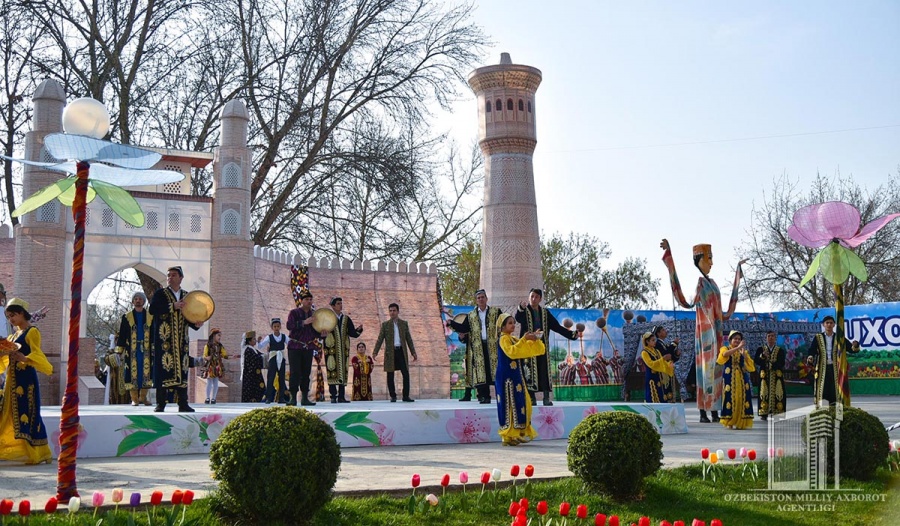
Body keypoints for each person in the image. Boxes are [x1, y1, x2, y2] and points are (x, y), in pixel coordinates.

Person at [661, 239, 745, 423]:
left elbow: (723, 312)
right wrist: (670, 259)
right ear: (699, 260)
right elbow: (685, 301)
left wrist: (737, 275)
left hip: (717, 333)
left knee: (717, 370)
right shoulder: (700, 284)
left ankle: (714, 410)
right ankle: (702, 412)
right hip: (705, 335)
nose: (711, 263)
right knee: (705, 371)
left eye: (712, 258)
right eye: (709, 259)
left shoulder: (713, 283)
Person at [1, 298, 53, 464]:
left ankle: (38, 453)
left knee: (29, 414)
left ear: (22, 313)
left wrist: (24, 358)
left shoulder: (32, 332)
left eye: (13, 315)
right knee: (8, 413)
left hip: (26, 381)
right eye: (9, 316)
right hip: (13, 380)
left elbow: (37, 354)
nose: (11, 319)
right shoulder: (14, 335)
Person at [150, 266, 203, 413]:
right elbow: (152, 309)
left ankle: (183, 404)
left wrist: (196, 324)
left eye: (174, 275)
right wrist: (172, 306)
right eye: (169, 275)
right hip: (164, 341)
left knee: (182, 371)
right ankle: (161, 403)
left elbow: (189, 316)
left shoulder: (187, 296)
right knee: (163, 370)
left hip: (181, 342)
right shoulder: (161, 294)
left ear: (181, 278)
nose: (170, 277)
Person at [515, 288, 579, 406]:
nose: (533, 299)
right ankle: (532, 398)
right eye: (531, 296)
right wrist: (520, 308)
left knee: (544, 371)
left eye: (536, 297)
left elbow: (557, 327)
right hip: (528, 348)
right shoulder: (525, 311)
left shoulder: (545, 313)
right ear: (529, 297)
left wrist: (572, 335)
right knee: (529, 371)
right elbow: (517, 318)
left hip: (541, 346)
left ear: (540, 299)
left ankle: (546, 398)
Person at [495, 313, 545, 446]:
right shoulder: (503, 339)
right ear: (502, 326)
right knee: (508, 404)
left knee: (519, 402)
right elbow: (512, 352)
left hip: (515, 375)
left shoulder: (512, 339)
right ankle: (508, 436)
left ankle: (517, 433)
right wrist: (524, 339)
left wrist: (534, 338)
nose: (513, 325)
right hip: (506, 377)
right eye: (510, 323)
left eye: (513, 322)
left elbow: (525, 348)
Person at [448, 289, 501, 404]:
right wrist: (451, 323)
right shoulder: (471, 315)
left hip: (493, 347)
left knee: (494, 370)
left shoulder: (496, 312)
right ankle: (484, 396)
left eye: (482, 297)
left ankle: (501, 396)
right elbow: (464, 328)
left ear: (486, 299)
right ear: (476, 301)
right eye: (478, 298)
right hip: (478, 347)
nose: (481, 299)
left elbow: (503, 324)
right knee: (481, 371)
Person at [806, 315, 860, 407]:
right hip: (822, 368)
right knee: (823, 389)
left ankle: (835, 409)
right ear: (823, 324)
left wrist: (855, 345)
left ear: (834, 325)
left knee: (835, 389)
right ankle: (823, 409)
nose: (829, 325)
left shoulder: (839, 337)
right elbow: (812, 349)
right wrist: (810, 356)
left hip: (836, 369)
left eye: (831, 323)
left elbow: (851, 349)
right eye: (827, 323)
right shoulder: (818, 337)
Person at [114, 291, 154, 406]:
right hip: (131, 350)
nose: (138, 301)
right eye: (136, 299)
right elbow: (122, 334)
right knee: (132, 373)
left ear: (143, 301)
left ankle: (143, 397)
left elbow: (154, 333)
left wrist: (155, 348)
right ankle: (134, 399)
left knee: (146, 373)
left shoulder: (150, 316)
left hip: (146, 350)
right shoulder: (127, 317)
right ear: (132, 301)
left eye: (140, 299)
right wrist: (119, 351)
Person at [373, 303, 417, 402]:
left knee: (405, 374)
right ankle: (393, 396)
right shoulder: (385, 325)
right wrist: (375, 352)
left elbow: (409, 339)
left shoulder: (404, 324)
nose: (392, 312)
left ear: (398, 311)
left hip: (401, 351)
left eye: (394, 310)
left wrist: (413, 352)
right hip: (390, 352)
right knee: (390, 374)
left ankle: (405, 396)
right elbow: (380, 339)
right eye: (390, 311)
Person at [324, 297, 363, 404]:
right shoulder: (327, 318)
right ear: (332, 306)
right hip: (331, 348)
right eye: (338, 303)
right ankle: (333, 396)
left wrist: (359, 330)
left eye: (341, 303)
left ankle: (341, 396)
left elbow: (352, 333)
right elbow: (320, 331)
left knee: (343, 371)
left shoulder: (346, 319)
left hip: (343, 349)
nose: (340, 305)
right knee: (332, 369)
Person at [286, 291, 321, 406]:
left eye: (310, 299)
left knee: (306, 373)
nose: (309, 301)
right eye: (306, 299)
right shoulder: (294, 312)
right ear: (301, 301)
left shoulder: (314, 315)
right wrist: (303, 322)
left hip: (308, 347)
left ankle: (305, 398)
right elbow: (289, 326)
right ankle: (292, 398)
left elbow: (315, 331)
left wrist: (322, 334)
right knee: (295, 372)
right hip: (295, 347)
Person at [717, 330, 755, 429]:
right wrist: (738, 348)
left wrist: (744, 356)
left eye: (739, 339)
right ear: (730, 340)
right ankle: (729, 421)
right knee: (730, 397)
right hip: (730, 377)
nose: (737, 341)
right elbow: (724, 355)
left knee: (742, 398)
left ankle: (740, 422)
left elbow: (750, 366)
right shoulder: (725, 348)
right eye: (735, 339)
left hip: (742, 377)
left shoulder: (743, 351)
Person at [755, 331, 786, 420]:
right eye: (769, 336)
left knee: (778, 392)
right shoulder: (761, 349)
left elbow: (782, 362)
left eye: (772, 336)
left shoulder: (780, 350)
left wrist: (772, 365)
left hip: (776, 375)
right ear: (766, 338)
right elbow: (756, 361)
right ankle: (764, 413)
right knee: (764, 392)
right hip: (764, 375)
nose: (771, 338)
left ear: (775, 338)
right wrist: (762, 356)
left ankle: (777, 412)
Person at [258, 318, 288, 404]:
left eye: (278, 326)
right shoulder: (269, 337)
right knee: (271, 377)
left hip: (281, 357)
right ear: (272, 327)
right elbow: (261, 346)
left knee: (281, 377)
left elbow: (290, 344)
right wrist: (259, 341)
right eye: (275, 326)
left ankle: (281, 398)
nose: (276, 328)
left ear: (280, 327)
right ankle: (268, 398)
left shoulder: (284, 336)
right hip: (273, 358)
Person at [640, 332, 675, 403]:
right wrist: (663, 359)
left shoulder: (657, 351)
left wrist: (669, 364)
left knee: (661, 395)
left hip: (659, 377)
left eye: (655, 340)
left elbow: (662, 363)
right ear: (647, 341)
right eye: (652, 340)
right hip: (651, 378)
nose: (655, 342)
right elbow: (651, 364)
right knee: (652, 396)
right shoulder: (644, 352)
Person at [202, 328, 228, 404]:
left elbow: (224, 354)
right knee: (209, 381)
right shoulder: (208, 346)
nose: (220, 337)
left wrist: (228, 356)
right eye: (218, 335)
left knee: (216, 381)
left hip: (217, 365)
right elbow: (204, 355)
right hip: (210, 365)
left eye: (220, 336)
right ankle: (207, 398)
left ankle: (213, 398)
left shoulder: (220, 346)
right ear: (213, 336)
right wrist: (206, 357)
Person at [240, 331, 266, 403]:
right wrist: (262, 357)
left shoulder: (253, 349)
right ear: (249, 341)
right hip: (251, 375)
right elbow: (255, 359)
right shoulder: (248, 350)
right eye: (254, 339)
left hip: (255, 374)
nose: (255, 340)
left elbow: (260, 355)